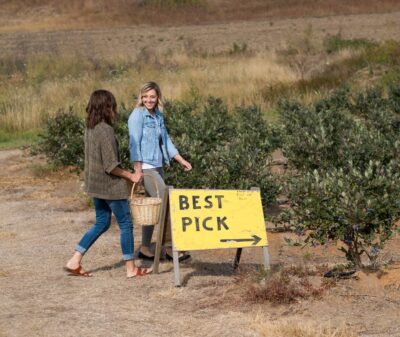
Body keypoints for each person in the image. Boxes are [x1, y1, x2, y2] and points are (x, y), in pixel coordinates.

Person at [65, 89, 151, 278]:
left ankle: (75, 260)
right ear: (107, 107)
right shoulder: (105, 130)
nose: (114, 109)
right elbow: (111, 166)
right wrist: (131, 176)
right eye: (112, 105)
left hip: (95, 185)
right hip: (110, 187)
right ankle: (131, 269)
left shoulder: (90, 127)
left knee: (102, 223)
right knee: (126, 224)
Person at [128, 81, 192, 261]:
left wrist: (180, 159)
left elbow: (166, 141)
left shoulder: (157, 116)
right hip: (147, 167)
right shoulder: (137, 115)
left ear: (157, 98)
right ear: (141, 97)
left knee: (153, 207)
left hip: (158, 165)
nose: (149, 100)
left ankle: (145, 248)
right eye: (145, 96)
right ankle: (171, 248)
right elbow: (134, 143)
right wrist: (138, 169)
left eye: (152, 97)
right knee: (166, 204)